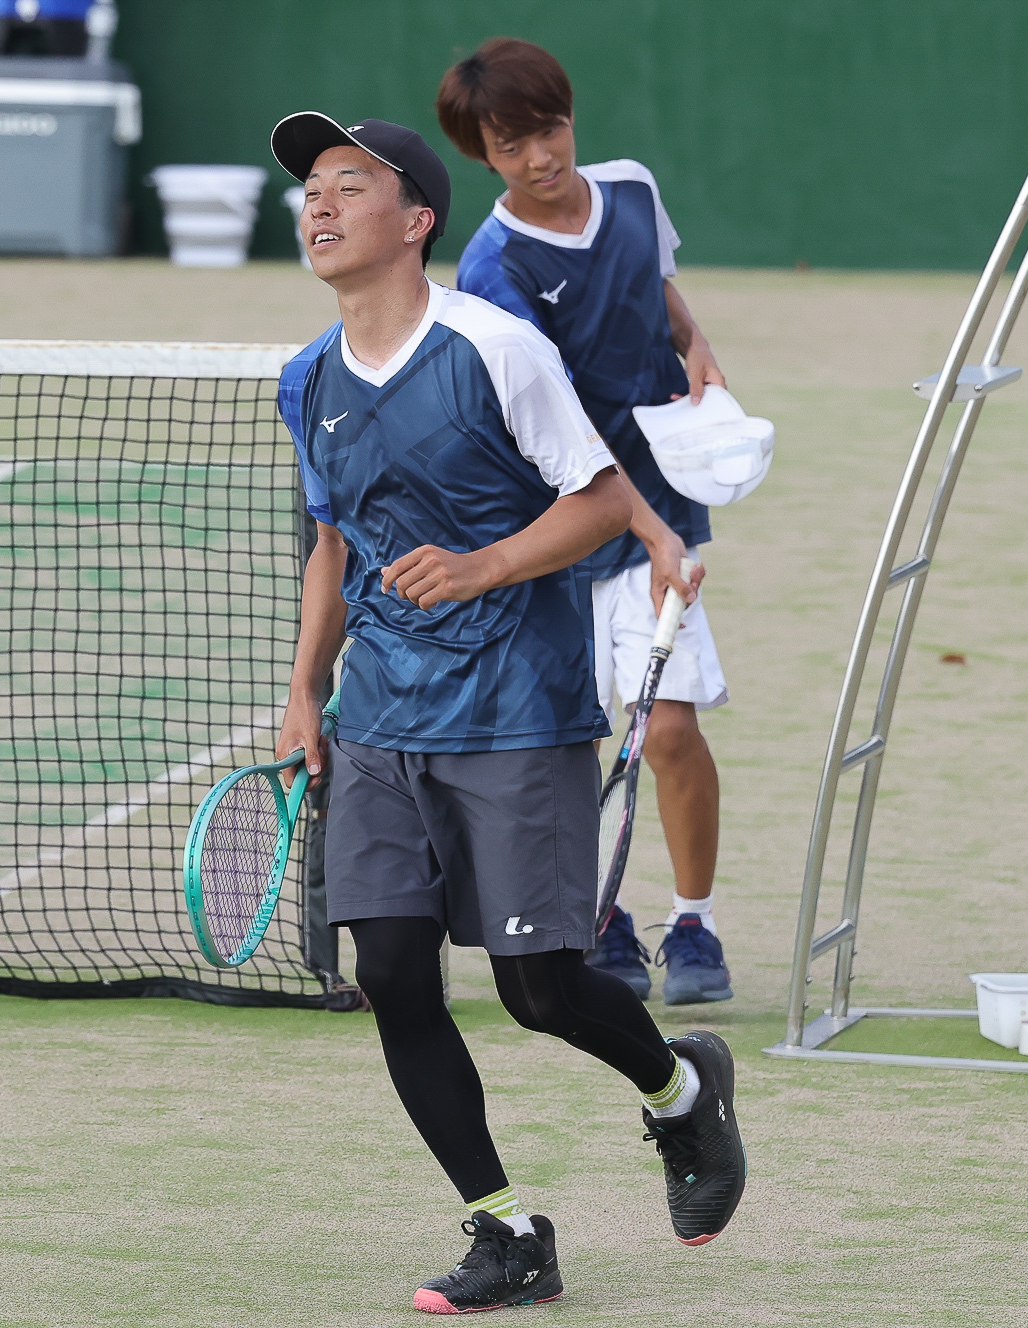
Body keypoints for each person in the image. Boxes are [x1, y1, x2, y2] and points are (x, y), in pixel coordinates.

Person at [271, 111, 745, 1314]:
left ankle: (682, 1090)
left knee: (540, 987)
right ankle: (507, 1230)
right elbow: (331, 546)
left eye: (350, 185)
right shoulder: (307, 378)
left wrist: (481, 566)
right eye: (312, 188)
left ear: (416, 219)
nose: (320, 205)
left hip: (515, 711)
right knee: (392, 970)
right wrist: (305, 693)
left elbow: (600, 499)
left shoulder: (495, 347)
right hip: (381, 719)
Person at [437, 37, 736, 1007]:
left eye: (550, 130)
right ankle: (600, 918)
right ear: (483, 154)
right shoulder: (494, 268)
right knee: (570, 749)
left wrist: (697, 345)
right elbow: (555, 426)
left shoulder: (634, 191)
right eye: (511, 145)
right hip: (561, 533)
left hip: (659, 510)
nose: (540, 158)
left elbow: (657, 286)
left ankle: (695, 923)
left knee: (670, 729)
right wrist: (641, 527)